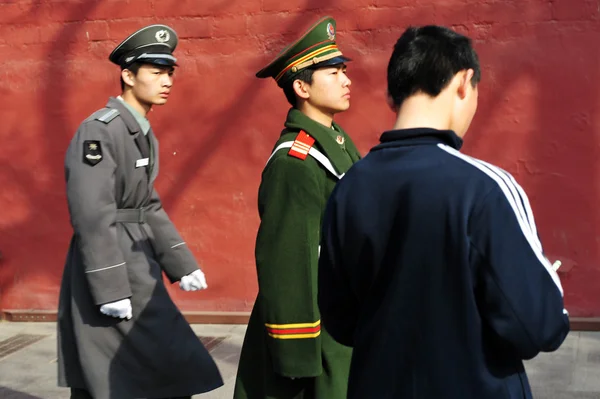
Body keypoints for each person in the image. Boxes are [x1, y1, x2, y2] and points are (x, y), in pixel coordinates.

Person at [318, 25, 570, 399]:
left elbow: (339, 321)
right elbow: (538, 327)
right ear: (464, 82)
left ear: (393, 95)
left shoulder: (349, 187)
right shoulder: (484, 188)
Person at [57, 24, 223, 399]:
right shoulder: (100, 131)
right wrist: (109, 287)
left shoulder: (140, 129)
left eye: (169, 72)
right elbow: (91, 213)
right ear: (128, 75)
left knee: (141, 368)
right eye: (155, 71)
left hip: (138, 256)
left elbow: (147, 204)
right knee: (131, 367)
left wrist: (181, 264)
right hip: (112, 260)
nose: (166, 80)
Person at [233, 16, 361, 399]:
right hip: (314, 330)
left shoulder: (335, 140)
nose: (346, 80)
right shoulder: (295, 162)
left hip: (342, 318)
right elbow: (287, 262)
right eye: (334, 72)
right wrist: (297, 355)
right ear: (302, 86)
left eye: (343, 70)